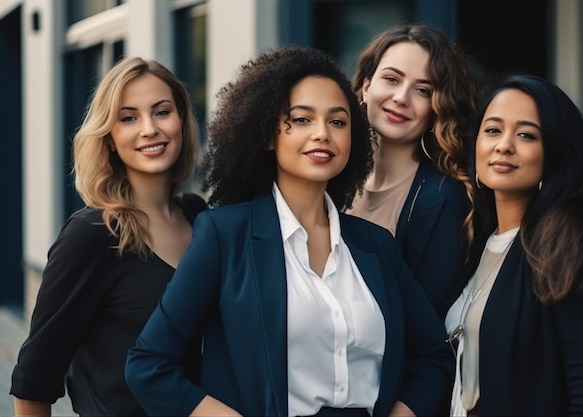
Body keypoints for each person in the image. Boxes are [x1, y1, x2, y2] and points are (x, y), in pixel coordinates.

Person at [125, 45, 454, 417]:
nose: (322, 134)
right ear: (267, 135)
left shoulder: (376, 244)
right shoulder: (224, 234)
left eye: (338, 121)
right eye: (301, 119)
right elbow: (149, 364)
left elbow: (434, 356)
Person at [10, 57, 206, 416]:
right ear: (111, 138)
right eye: (128, 118)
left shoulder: (199, 217)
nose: (149, 129)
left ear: (181, 121)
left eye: (162, 112)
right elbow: (32, 382)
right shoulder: (92, 236)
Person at [443, 74, 583, 416]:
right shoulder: (476, 246)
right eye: (493, 130)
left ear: (554, 154)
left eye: (526, 135)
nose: (504, 145)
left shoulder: (567, 248)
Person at [346, 23, 481, 317]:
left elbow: (420, 327)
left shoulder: (443, 199)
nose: (401, 97)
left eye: (422, 89)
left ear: (437, 108)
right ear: (366, 87)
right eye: (392, 79)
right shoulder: (331, 180)